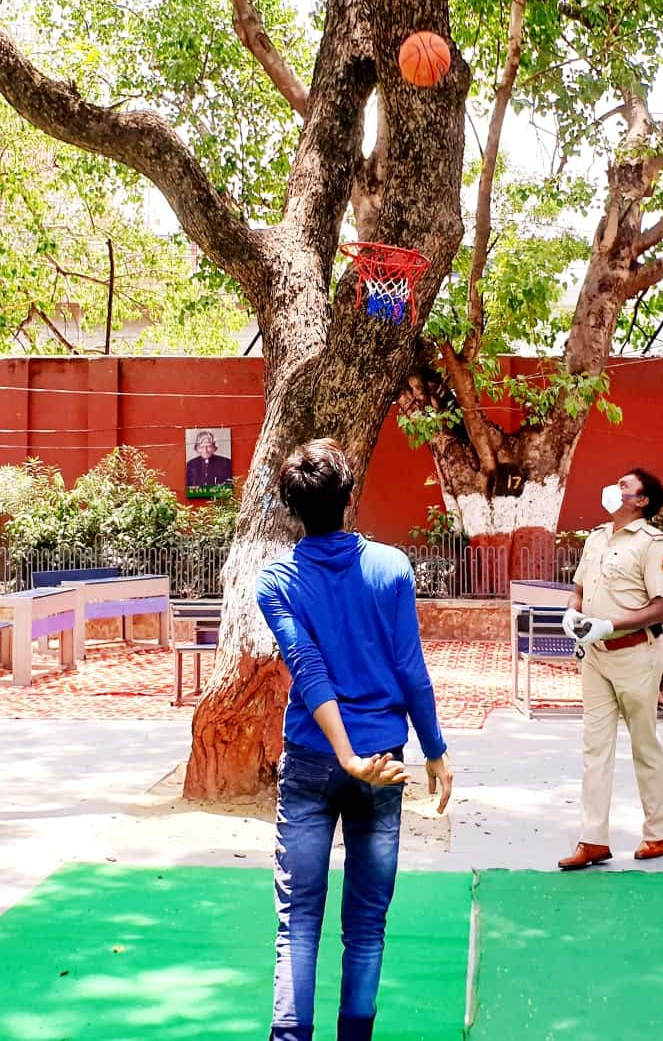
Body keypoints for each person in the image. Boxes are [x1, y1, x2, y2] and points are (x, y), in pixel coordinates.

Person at [256, 437, 453, 1041]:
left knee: (298, 923)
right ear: (349, 495)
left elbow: (307, 667)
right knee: (366, 926)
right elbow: (410, 668)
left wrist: (343, 753)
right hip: (383, 760)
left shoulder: (277, 579)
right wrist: (435, 751)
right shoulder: (391, 566)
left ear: (293, 507)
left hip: (313, 759)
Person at [558, 468, 663, 871]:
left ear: (641, 501)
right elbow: (579, 590)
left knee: (644, 745)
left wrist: (611, 624)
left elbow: (662, 607)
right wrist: (571, 614)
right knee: (595, 747)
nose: (615, 487)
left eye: (625, 485)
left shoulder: (651, 544)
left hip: (635, 656)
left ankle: (657, 832)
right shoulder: (596, 538)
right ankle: (592, 839)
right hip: (595, 656)